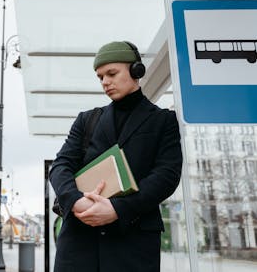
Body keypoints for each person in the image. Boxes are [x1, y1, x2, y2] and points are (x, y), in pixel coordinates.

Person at [49, 41, 183, 272]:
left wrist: (118, 210)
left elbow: (166, 176)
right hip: (79, 245)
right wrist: (76, 201)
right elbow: (60, 166)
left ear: (136, 71)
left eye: (111, 73)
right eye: (100, 76)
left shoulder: (163, 121)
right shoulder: (86, 119)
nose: (105, 82)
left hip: (133, 246)